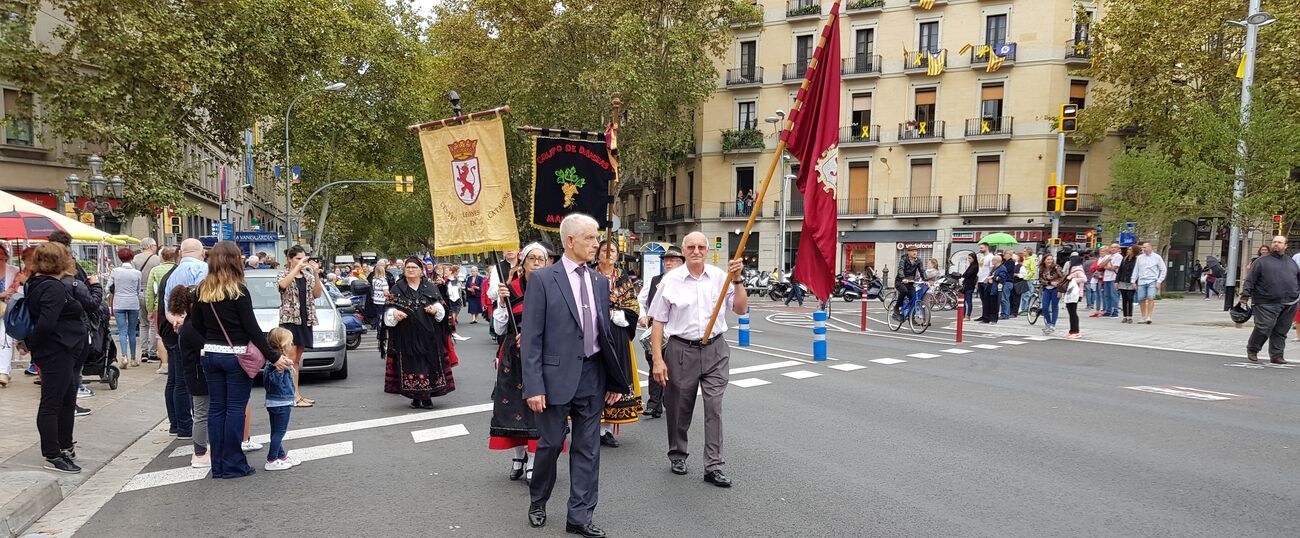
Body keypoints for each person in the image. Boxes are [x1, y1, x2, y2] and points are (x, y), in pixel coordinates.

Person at [520, 213, 629, 536]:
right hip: (554, 380)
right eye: (591, 238)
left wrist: (614, 379)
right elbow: (531, 338)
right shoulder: (543, 280)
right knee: (551, 444)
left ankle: (579, 516)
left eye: (596, 238)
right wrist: (534, 386)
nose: (597, 244)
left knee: (588, 448)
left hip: (592, 376)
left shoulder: (599, 281)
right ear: (570, 241)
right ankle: (538, 499)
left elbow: (604, 335)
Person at [648, 231, 748, 489]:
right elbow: (658, 321)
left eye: (701, 247)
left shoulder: (719, 277)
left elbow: (740, 308)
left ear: (707, 250)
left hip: (716, 350)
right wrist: (658, 360)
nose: (696, 251)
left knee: (714, 407)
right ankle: (678, 453)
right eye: (691, 246)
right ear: (683, 250)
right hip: (682, 350)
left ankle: (713, 465)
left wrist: (737, 280)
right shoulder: (671, 281)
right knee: (680, 406)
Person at [184, 241, 290, 479]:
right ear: (235, 261)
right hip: (237, 357)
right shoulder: (239, 291)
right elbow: (252, 329)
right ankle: (233, 464)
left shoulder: (202, 289)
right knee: (234, 410)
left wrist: (213, 342)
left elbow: (196, 325)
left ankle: (218, 464)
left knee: (216, 410)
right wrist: (274, 356)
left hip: (211, 356)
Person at [26, 242, 102, 473]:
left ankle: (65, 446)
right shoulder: (52, 287)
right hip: (57, 351)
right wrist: (32, 344)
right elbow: (46, 323)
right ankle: (53, 453)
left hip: (65, 350)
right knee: (53, 403)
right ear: (62, 261)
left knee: (66, 400)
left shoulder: (39, 283)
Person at [488, 242, 551, 482]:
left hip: (542, 356)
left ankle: (534, 459)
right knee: (512, 406)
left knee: (537, 409)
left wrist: (536, 334)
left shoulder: (552, 288)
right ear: (523, 263)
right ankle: (518, 455)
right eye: (532, 258)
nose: (536, 262)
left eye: (541, 259)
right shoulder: (510, 289)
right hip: (513, 358)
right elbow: (500, 328)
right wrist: (502, 305)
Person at [384, 256, 457, 409]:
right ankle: (415, 398)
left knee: (428, 364)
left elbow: (441, 307)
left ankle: (427, 397)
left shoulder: (430, 287)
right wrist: (394, 313)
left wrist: (435, 309)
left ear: (421, 271)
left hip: (429, 335)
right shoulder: (397, 288)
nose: (410, 270)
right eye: (408, 267)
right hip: (406, 336)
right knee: (411, 365)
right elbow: (388, 309)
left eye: (414, 268)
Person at [594, 239, 642, 448]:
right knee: (595, 376)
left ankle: (605, 430)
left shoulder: (623, 277)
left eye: (612, 250)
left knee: (615, 376)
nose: (608, 253)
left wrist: (622, 314)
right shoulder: (588, 274)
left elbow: (632, 304)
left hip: (617, 333)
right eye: (604, 250)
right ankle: (592, 425)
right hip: (594, 332)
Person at [160, 239, 206, 441]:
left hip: (174, 328)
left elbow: (167, 304)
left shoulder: (173, 273)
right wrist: (187, 322)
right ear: (201, 252)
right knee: (189, 380)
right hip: (193, 329)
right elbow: (203, 299)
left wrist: (176, 321)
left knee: (175, 379)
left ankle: (178, 425)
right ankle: (188, 427)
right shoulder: (201, 268)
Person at [637, 247, 686, 419]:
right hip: (656, 331)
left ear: (681, 263)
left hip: (676, 333)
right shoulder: (654, 281)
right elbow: (640, 301)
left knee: (674, 369)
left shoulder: (686, 282)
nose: (668, 263)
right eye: (666, 260)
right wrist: (643, 316)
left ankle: (669, 401)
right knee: (654, 366)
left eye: (672, 260)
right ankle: (653, 404)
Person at [166, 283, 210, 468]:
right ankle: (199, 453)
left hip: (195, 374)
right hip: (198, 375)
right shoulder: (190, 327)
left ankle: (202, 450)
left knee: (201, 413)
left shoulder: (188, 325)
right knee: (201, 414)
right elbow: (205, 347)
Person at [1241, 236, 1300, 364]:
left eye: (1279, 242)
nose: (1276, 244)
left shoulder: (1291, 262)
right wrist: (1245, 296)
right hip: (1265, 302)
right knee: (1264, 327)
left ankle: (1277, 355)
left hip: (1290, 302)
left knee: (1281, 330)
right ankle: (1253, 349)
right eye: (1274, 242)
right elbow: (1250, 279)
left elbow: (1297, 279)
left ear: (1285, 246)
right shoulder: (1261, 261)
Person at [276, 245, 323, 408]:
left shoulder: (308, 276)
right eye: (298, 258)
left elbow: (317, 294)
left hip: (305, 318)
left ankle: (296, 394)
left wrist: (316, 273)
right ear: (290, 259)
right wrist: (296, 268)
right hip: (290, 319)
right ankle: (289, 395)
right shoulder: (283, 273)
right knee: (289, 358)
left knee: (296, 360)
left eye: (304, 259)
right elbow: (283, 285)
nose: (302, 262)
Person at [262, 327, 300, 471]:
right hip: (280, 402)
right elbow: (274, 382)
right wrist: (280, 371)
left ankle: (281, 456)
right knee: (280, 432)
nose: (291, 346)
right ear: (283, 345)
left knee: (276, 430)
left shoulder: (273, 361)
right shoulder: (278, 364)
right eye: (290, 343)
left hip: (274, 402)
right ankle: (272, 459)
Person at [109, 247, 144, 368]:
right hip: (133, 303)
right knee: (132, 331)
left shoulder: (115, 271)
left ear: (119, 258)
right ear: (132, 258)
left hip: (119, 302)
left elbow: (108, 287)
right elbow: (138, 290)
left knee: (122, 331)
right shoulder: (137, 273)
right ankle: (134, 358)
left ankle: (124, 357)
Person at [146, 246, 178, 375]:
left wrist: (150, 309)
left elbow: (150, 291)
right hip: (176, 306)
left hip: (159, 307)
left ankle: (165, 364)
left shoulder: (155, 270)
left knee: (160, 335)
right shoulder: (177, 269)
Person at [131, 238, 162, 362]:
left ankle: (143, 352)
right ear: (151, 246)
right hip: (152, 292)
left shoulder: (135, 259)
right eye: (155, 245)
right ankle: (152, 352)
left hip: (139, 293)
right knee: (154, 324)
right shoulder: (156, 259)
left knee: (143, 324)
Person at [1132, 242, 1168, 325]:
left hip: (1152, 280)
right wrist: (1133, 280)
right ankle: (1143, 316)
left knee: (1150, 297)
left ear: (1150, 247)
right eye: (1143, 248)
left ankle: (1149, 316)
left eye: (1145, 247)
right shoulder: (1140, 258)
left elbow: (1163, 269)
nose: (1143, 249)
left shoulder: (1157, 257)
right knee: (1141, 299)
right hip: (1142, 280)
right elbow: (1136, 269)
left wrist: (1159, 281)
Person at [364, 259, 394, 355]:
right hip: (382, 300)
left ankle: (378, 329)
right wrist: (390, 296)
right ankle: (381, 331)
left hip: (376, 300)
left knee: (378, 315)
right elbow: (386, 292)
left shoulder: (374, 280)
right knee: (382, 316)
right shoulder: (383, 281)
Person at [0, 246, 20, 388]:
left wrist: (12, 293)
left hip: (7, 309)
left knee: (5, 339)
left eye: (2, 257)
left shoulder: (14, 270)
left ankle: (3, 372)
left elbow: (19, 290)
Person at [893, 247, 924, 320]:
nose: (915, 253)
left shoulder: (918, 261)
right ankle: (897, 307)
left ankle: (912, 318)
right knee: (904, 291)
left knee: (913, 298)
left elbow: (922, 271)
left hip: (910, 282)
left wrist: (925, 280)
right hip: (900, 281)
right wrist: (903, 278)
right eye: (913, 251)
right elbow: (900, 269)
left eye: (916, 251)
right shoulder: (903, 259)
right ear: (908, 252)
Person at [1038, 256, 1065, 335]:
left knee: (1054, 306)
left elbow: (1062, 277)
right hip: (1046, 288)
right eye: (1048, 259)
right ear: (1044, 261)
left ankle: (1053, 324)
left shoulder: (1057, 267)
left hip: (1056, 289)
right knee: (1044, 307)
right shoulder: (1042, 269)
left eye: (1051, 259)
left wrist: (1059, 288)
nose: (1050, 261)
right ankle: (1049, 323)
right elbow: (1041, 280)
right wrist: (1049, 283)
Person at [1064, 253, 1088, 339]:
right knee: (1071, 311)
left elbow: (1084, 279)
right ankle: (1072, 330)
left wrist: (1073, 279)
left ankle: (1076, 331)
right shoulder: (1073, 269)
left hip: (1076, 293)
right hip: (1072, 292)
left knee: (1073, 312)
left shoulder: (1078, 269)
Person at [1116, 245, 1139, 324]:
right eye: (1128, 249)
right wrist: (1117, 281)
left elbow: (1137, 271)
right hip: (1123, 281)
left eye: (1130, 249)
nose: (1128, 250)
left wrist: (1135, 282)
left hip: (1131, 281)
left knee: (1130, 298)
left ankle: (1130, 316)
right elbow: (1120, 271)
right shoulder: (1124, 258)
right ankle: (1125, 316)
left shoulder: (1136, 260)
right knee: (1124, 299)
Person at [961, 252, 978, 321]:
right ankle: (963, 315)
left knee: (969, 301)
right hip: (966, 285)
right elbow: (965, 274)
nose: (969, 260)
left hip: (970, 285)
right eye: (968, 258)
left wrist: (965, 275)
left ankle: (968, 316)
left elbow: (967, 274)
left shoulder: (975, 266)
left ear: (974, 258)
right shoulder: (971, 265)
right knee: (963, 301)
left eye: (970, 258)